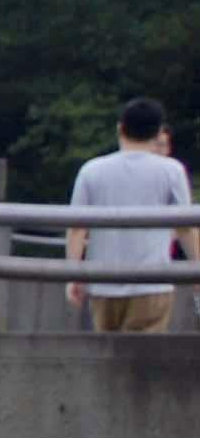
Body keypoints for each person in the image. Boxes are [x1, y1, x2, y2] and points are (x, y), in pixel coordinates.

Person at [76, 98, 188, 336]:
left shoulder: (91, 169)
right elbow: (186, 227)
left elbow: (76, 227)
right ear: (158, 132)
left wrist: (73, 274)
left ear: (120, 128)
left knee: (106, 359)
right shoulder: (172, 170)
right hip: (152, 283)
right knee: (144, 364)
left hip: (102, 283)